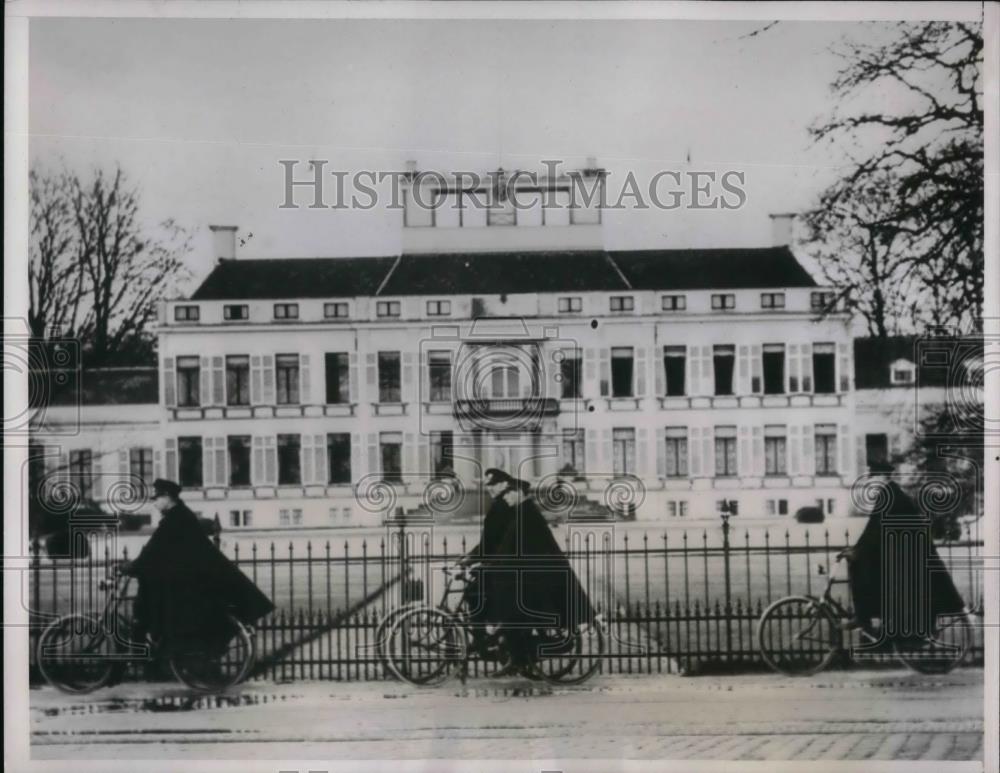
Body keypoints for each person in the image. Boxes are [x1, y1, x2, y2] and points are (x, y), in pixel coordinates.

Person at [122, 479, 275, 658]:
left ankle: (152, 662)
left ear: (167, 497)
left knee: (146, 611)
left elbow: (154, 549)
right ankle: (155, 656)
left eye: (156, 498)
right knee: (151, 609)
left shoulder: (175, 519)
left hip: (188, 582)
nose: (153, 503)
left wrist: (131, 566)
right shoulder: (180, 515)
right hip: (189, 578)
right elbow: (161, 550)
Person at [842, 462, 965, 646]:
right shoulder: (890, 492)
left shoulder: (889, 494)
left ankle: (864, 618)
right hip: (906, 555)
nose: (872, 482)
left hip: (909, 559)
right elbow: (876, 528)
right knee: (867, 569)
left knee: (860, 567)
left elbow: (874, 529)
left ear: (883, 477)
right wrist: (857, 549)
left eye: (874, 477)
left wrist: (857, 551)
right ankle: (868, 620)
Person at [493, 477, 595, 671]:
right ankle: (516, 656)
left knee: (511, 611)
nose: (504, 497)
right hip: (531, 577)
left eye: (508, 494)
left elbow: (521, 550)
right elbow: (509, 547)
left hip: (538, 581)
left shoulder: (527, 515)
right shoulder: (521, 512)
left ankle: (519, 658)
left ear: (519, 493)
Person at [459, 468, 516, 659]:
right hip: (499, 562)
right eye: (488, 485)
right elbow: (490, 541)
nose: (489, 489)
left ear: (504, 484)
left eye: (492, 485)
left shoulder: (503, 506)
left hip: (505, 565)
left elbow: (490, 542)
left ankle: (484, 639)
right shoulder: (502, 504)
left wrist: (470, 559)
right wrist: (471, 557)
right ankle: (494, 638)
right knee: (478, 594)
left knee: (473, 594)